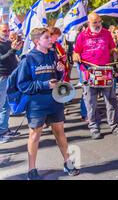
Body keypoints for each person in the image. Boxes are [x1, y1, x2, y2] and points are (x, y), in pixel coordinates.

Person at [17, 28, 80, 180]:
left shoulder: (53, 55)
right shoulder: (28, 59)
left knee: (60, 133)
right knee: (34, 136)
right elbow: (23, 85)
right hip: (37, 104)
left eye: (50, 37)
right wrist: (44, 85)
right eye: (47, 38)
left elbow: (56, 77)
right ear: (37, 41)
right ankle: (31, 170)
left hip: (55, 101)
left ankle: (67, 162)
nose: (51, 40)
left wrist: (59, 71)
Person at [73, 13, 118, 140]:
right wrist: (75, 56)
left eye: (99, 22)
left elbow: (112, 49)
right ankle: (94, 128)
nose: (97, 25)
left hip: (105, 71)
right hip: (89, 72)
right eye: (94, 23)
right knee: (91, 102)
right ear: (88, 23)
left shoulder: (106, 33)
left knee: (111, 101)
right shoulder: (82, 36)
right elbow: (76, 52)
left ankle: (115, 126)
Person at [0, 23, 23, 144]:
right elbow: (2, 58)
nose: (7, 32)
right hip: (2, 77)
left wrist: (15, 48)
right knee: (1, 106)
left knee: (7, 106)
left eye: (8, 30)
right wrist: (13, 50)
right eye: (4, 30)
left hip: (10, 76)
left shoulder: (8, 42)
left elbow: (11, 56)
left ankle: (4, 130)